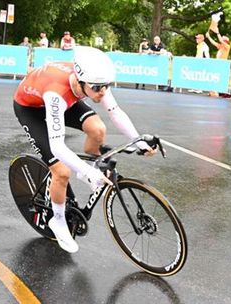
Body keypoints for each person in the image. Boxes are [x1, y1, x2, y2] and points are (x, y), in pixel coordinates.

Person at [13, 46, 157, 253]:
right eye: (98, 88)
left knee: (98, 129)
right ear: (80, 81)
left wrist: (138, 141)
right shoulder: (57, 93)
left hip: (65, 100)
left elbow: (115, 113)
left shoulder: (92, 79)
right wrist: (87, 173)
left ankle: (93, 160)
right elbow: (57, 146)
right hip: (31, 109)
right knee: (62, 172)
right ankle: (59, 221)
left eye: (107, 86)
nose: (103, 92)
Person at [205, 30, 231, 97]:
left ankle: (221, 92)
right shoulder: (221, 46)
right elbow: (214, 43)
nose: (221, 39)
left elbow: (220, 40)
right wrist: (208, 37)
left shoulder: (227, 46)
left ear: (225, 41)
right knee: (216, 77)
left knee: (221, 78)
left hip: (223, 65)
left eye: (223, 38)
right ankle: (217, 91)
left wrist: (217, 32)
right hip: (218, 64)